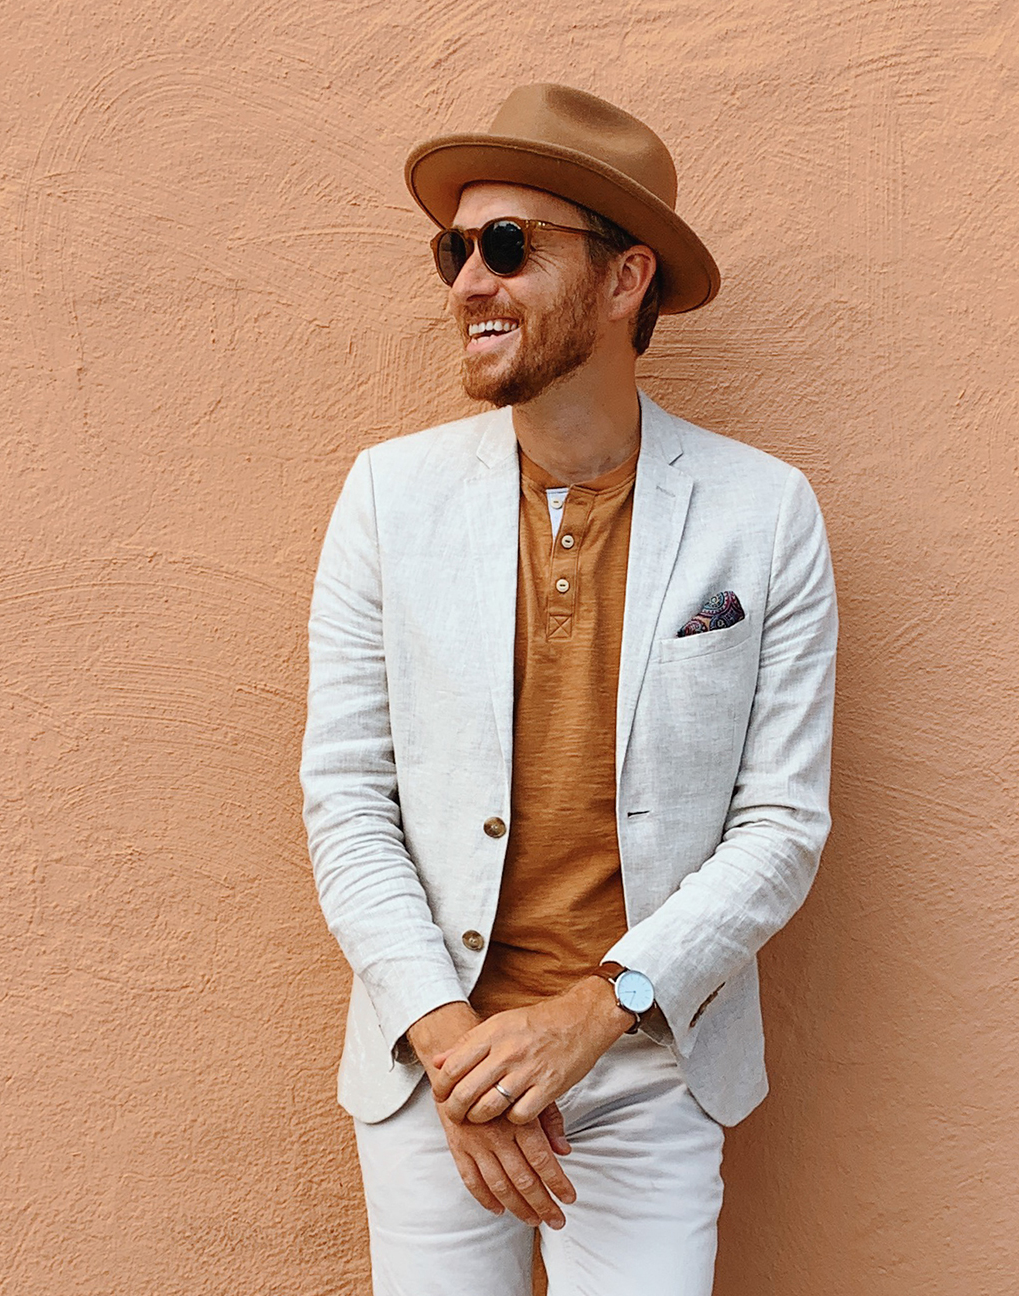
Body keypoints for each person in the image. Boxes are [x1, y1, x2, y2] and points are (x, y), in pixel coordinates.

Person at [300, 82, 837, 1296]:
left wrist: (597, 1011)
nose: (466, 284)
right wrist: (452, 1048)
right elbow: (346, 794)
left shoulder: (764, 514)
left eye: (507, 247)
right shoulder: (387, 499)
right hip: (436, 1065)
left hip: (647, 1062)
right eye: (454, 249)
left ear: (624, 278)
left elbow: (781, 825)